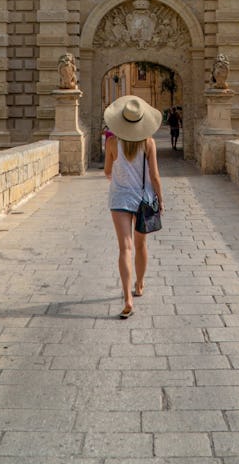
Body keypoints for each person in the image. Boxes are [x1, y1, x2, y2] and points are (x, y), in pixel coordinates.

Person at [103, 95, 164, 319]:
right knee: (141, 244)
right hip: (142, 199)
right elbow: (155, 176)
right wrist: (160, 198)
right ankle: (139, 285)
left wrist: (119, 175)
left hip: (119, 199)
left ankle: (127, 299)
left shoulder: (110, 143)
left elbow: (107, 171)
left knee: (124, 248)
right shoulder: (148, 142)